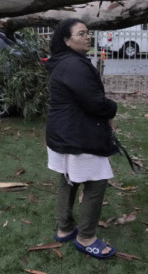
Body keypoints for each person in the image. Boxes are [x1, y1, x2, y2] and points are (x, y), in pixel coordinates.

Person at [45, 18, 118, 259]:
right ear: (66, 40)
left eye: (88, 33)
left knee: (68, 180)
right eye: (81, 34)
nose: (88, 37)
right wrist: (112, 109)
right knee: (97, 181)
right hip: (78, 137)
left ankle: (65, 227)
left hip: (66, 134)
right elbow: (95, 102)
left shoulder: (65, 62)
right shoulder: (74, 66)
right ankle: (86, 237)